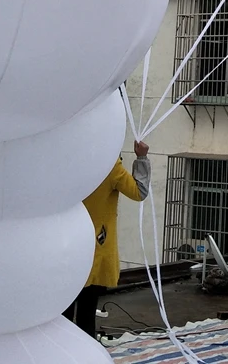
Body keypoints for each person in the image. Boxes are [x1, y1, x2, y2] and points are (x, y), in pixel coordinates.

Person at [64, 140, 151, 337]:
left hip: (67, 246)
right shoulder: (109, 169)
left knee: (64, 310)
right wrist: (142, 158)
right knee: (87, 310)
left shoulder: (70, 164)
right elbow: (139, 192)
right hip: (96, 248)